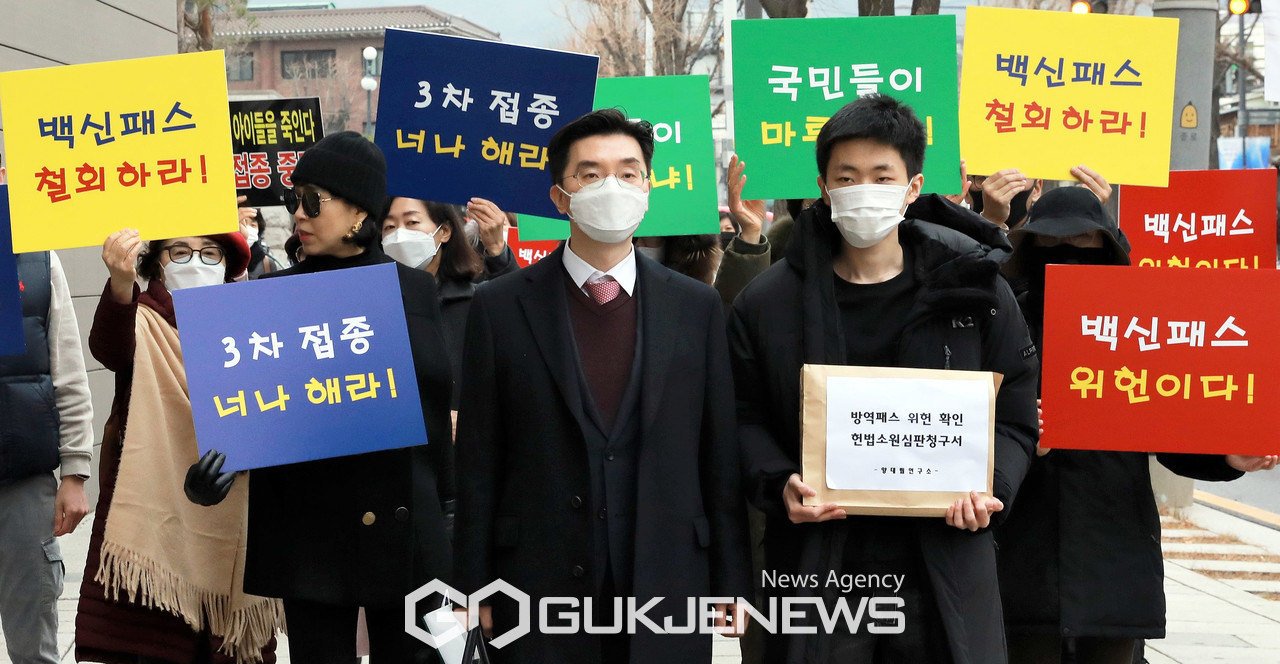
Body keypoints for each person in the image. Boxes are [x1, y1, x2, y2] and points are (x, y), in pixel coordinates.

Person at [729, 94, 1040, 664]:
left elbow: (1018, 412)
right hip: (816, 573)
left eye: (881, 175)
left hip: (943, 572)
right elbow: (740, 415)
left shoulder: (974, 290)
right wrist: (778, 483)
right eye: (846, 177)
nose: (863, 190)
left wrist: (990, 485)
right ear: (823, 187)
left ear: (913, 186)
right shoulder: (767, 302)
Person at [453, 108, 752, 663]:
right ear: (559, 196)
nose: (611, 186)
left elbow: (719, 455)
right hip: (538, 583)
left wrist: (731, 579)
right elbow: (478, 456)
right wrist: (474, 583)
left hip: (668, 579)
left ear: (648, 187)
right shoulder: (500, 306)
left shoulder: (696, 306)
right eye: (589, 174)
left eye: (628, 172)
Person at [183, 131, 455, 663]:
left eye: (312, 201)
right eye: (292, 200)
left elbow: (431, 411)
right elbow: (256, 413)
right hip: (309, 529)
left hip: (402, 527)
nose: (298, 215)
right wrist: (216, 470)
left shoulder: (415, 290)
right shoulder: (268, 298)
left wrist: (451, 513)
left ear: (358, 211)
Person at [995, 185, 1280, 664]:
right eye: (1052, 243)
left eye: (1085, 242)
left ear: (1108, 248)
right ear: (1031, 248)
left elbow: (1171, 428)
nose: (1068, 254)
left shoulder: (1140, 325)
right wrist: (1019, 432)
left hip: (1115, 547)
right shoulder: (1001, 320)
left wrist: (1227, 457)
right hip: (1022, 549)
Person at [75, 229, 282, 664]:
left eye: (210, 254)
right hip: (154, 519)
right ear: (158, 263)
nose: (195, 263)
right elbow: (109, 347)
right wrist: (119, 281)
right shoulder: (142, 317)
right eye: (181, 252)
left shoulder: (255, 329)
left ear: (227, 266)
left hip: (232, 512)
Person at [0, 241, 94, 664]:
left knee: (33, 644)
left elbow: (68, 370)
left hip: (21, 477)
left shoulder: (35, 258)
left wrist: (74, 470)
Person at [380, 197, 518, 416]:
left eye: (412, 223)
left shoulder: (474, 304)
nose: (399, 234)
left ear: (444, 231)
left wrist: (497, 250)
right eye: (389, 226)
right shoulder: (374, 308)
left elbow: (515, 352)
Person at [237, 201, 283, 279]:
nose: (247, 229)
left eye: (253, 225)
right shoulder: (221, 259)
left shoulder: (267, 264)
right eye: (243, 222)